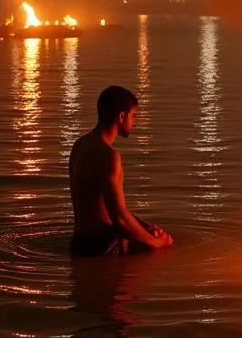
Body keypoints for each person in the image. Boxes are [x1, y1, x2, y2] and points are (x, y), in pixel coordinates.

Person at [69, 86, 173, 256]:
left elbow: (103, 206)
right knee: (165, 252)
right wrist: (156, 244)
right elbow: (119, 220)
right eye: (133, 116)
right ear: (121, 116)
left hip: (79, 243)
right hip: (103, 247)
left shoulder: (80, 145)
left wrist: (143, 225)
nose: (135, 123)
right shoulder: (109, 155)